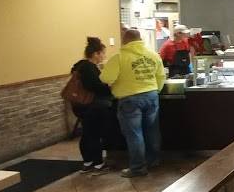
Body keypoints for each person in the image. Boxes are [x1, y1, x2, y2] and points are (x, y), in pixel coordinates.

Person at [100, 28, 165, 178]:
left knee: (135, 134)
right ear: (140, 39)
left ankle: (138, 168)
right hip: (151, 94)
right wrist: (155, 90)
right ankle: (153, 161)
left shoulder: (119, 57)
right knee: (152, 130)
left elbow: (105, 78)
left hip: (130, 98)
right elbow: (161, 76)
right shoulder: (153, 55)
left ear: (125, 40)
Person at [71, 37, 113, 172]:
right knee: (94, 134)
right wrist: (110, 88)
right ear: (96, 54)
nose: (104, 56)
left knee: (87, 133)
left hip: (79, 105)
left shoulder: (79, 66)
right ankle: (98, 164)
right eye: (103, 53)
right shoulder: (89, 68)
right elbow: (95, 87)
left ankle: (87, 162)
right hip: (91, 105)